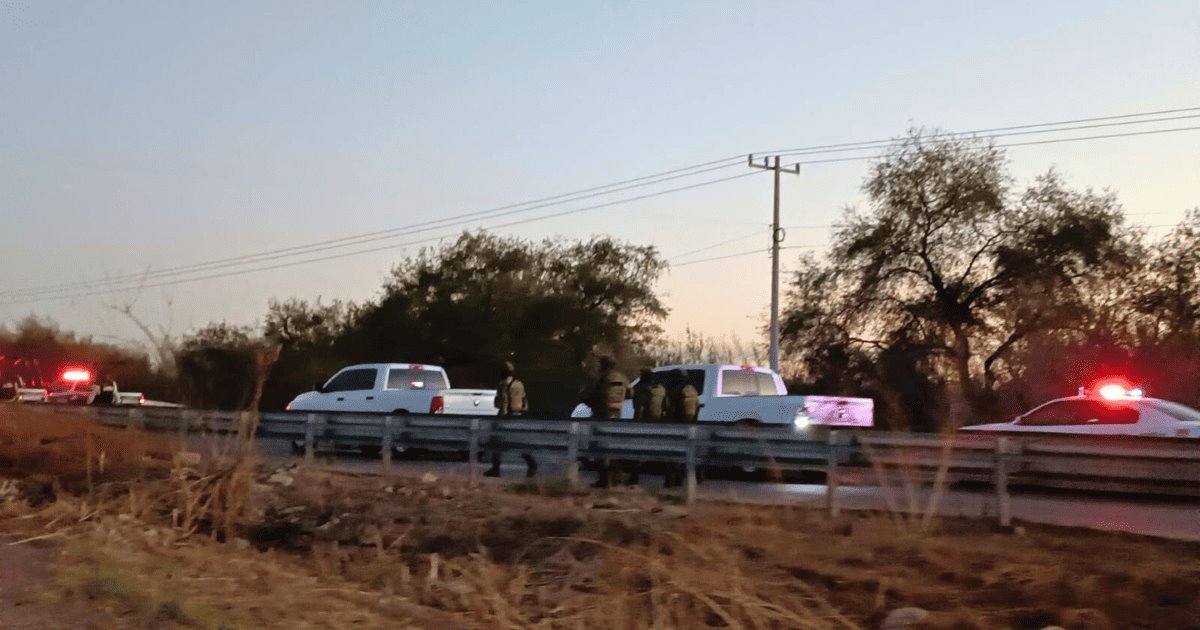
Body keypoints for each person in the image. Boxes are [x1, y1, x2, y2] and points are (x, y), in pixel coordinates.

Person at [485, 361, 536, 478]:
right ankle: (531, 464)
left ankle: (496, 468)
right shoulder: (519, 384)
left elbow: (498, 404)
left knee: (496, 442)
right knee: (520, 442)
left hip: (504, 417)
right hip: (518, 416)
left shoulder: (502, 385)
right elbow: (524, 401)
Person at [588, 356, 630, 487]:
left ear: (604, 365)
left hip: (602, 416)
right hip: (617, 416)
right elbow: (630, 394)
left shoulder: (602, 378)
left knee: (601, 448)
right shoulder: (623, 378)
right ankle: (616, 479)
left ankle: (605, 480)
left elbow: (592, 395)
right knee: (615, 447)